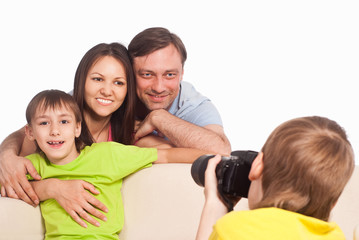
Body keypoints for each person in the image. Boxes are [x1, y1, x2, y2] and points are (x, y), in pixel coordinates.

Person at [0, 42, 167, 227]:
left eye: (118, 82)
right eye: (97, 79)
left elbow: (172, 152)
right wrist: (52, 187)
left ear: (128, 90)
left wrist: (159, 119)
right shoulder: (59, 125)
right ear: (82, 81)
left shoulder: (129, 133)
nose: (107, 90)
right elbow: (16, 169)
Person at [22, 89, 207, 239]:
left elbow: (166, 156)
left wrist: (213, 156)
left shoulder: (106, 154)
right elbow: (7, 184)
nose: (55, 131)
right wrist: (49, 187)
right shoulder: (34, 165)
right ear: (30, 132)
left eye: (64, 121)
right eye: (44, 123)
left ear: (77, 128)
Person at [195, 116, 355, 240]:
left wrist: (214, 204)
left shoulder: (233, 229)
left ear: (257, 165)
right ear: (333, 203)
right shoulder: (336, 236)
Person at [128, 27, 231, 155]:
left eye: (170, 75)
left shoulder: (194, 105)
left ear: (182, 74)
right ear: (130, 73)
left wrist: (159, 118)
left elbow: (222, 151)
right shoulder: (116, 95)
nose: (159, 88)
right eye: (147, 75)